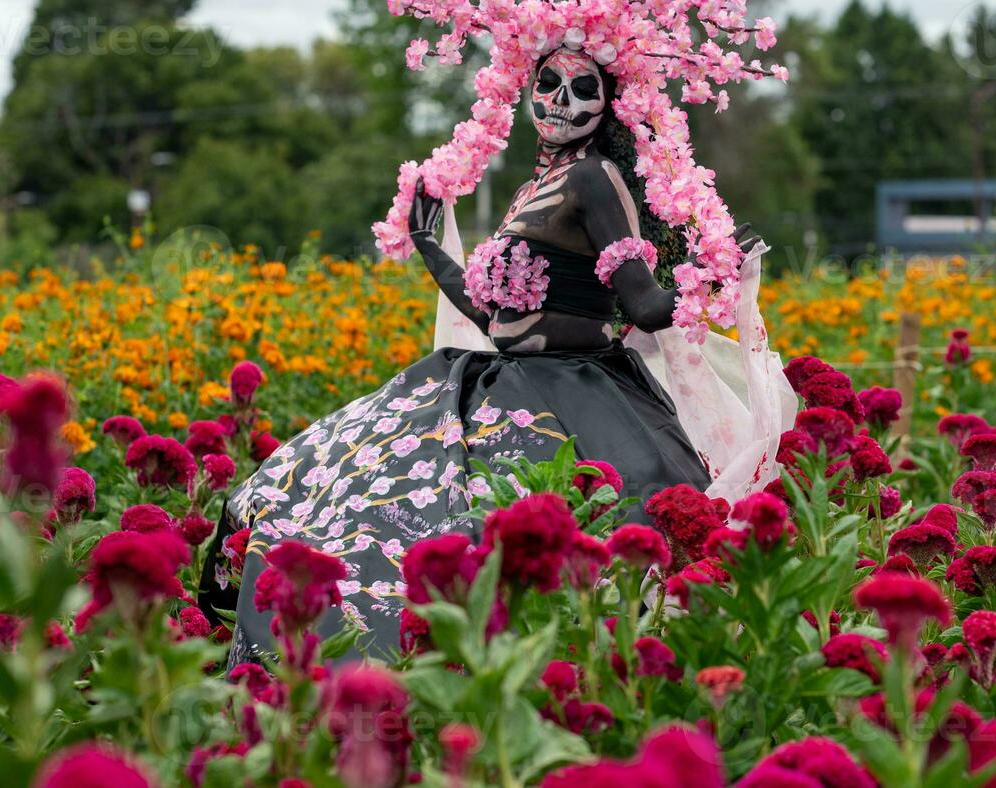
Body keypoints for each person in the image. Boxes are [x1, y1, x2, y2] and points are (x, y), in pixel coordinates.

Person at [202, 46, 760, 664]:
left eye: (583, 89)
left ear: (608, 107)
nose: (561, 102)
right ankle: (388, 661)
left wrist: (714, 271)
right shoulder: (532, 189)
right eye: (548, 84)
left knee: (555, 535)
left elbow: (645, 306)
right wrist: (428, 244)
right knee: (350, 484)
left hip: (577, 389)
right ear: (527, 92)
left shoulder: (592, 178)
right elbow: (493, 317)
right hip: (506, 377)